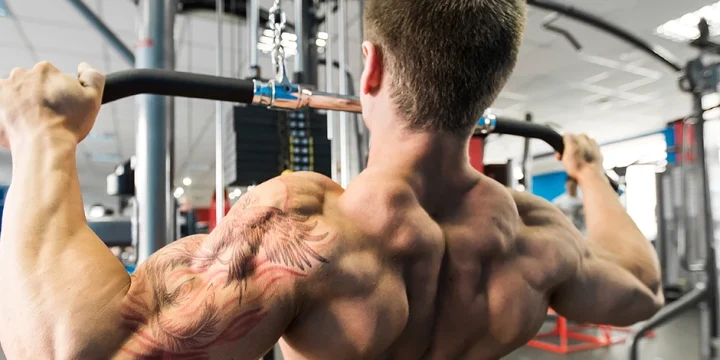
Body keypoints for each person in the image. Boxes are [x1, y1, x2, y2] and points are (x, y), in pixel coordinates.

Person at [0, 0, 663, 359]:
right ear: (492, 85)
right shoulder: (538, 237)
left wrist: (42, 138)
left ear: (368, 69)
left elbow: (70, 350)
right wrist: (591, 177)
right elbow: (642, 290)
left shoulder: (306, 228)